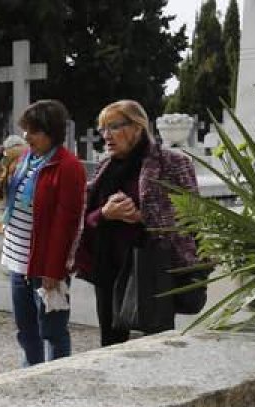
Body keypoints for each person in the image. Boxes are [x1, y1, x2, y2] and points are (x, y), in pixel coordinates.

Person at [75, 100, 200, 346]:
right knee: (110, 346)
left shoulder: (173, 163)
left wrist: (141, 217)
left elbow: (192, 218)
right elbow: (86, 219)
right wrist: (105, 213)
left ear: (137, 127)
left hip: (151, 268)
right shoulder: (104, 167)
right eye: (102, 129)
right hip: (108, 269)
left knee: (156, 343)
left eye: (113, 127)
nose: (105, 136)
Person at [0, 100, 86, 366]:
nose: (27, 136)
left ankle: (57, 378)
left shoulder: (68, 167)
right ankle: (30, 375)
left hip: (45, 265)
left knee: (52, 330)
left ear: (52, 132)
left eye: (34, 131)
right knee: (26, 330)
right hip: (18, 259)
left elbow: (66, 224)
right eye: (26, 130)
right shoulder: (27, 158)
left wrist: (53, 270)